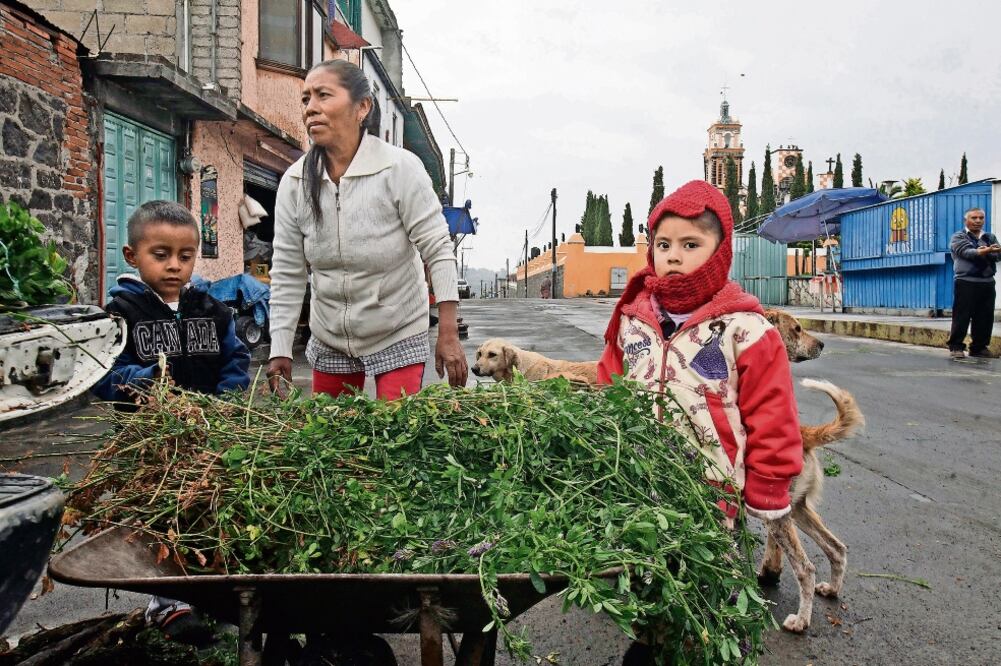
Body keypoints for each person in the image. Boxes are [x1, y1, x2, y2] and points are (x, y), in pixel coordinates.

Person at [596, 182, 803, 663]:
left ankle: (709, 643)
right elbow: (610, 386)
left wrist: (770, 484)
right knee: (650, 573)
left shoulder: (747, 329)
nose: (673, 256)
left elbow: (773, 414)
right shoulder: (632, 319)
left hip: (712, 493)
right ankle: (653, 642)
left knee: (708, 583)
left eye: (691, 245)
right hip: (641, 485)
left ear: (720, 250)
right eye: (663, 245)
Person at [92, 199, 250, 643]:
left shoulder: (212, 309)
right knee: (162, 520)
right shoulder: (120, 315)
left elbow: (234, 359)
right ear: (132, 256)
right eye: (160, 255)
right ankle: (168, 604)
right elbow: (103, 374)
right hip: (149, 443)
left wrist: (226, 403)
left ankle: (214, 595)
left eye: (185, 256)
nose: (174, 266)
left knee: (211, 512)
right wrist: (147, 382)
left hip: (210, 436)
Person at [266, 59, 467, 399]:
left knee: (397, 431)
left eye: (323, 95)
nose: (311, 108)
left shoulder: (398, 169)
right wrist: (280, 347)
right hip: (329, 333)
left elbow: (437, 249)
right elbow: (287, 271)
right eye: (305, 99)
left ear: (362, 107)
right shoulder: (295, 181)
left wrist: (448, 331)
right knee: (335, 439)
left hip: (398, 327)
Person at [947, 208, 1000, 359]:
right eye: (974, 218)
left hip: (987, 282)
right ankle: (956, 346)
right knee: (962, 315)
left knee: (985, 316)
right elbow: (967, 253)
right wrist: (985, 251)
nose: (978, 221)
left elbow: (997, 255)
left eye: (981, 218)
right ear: (966, 220)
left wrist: (991, 250)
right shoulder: (959, 237)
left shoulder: (989, 237)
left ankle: (979, 347)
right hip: (965, 281)